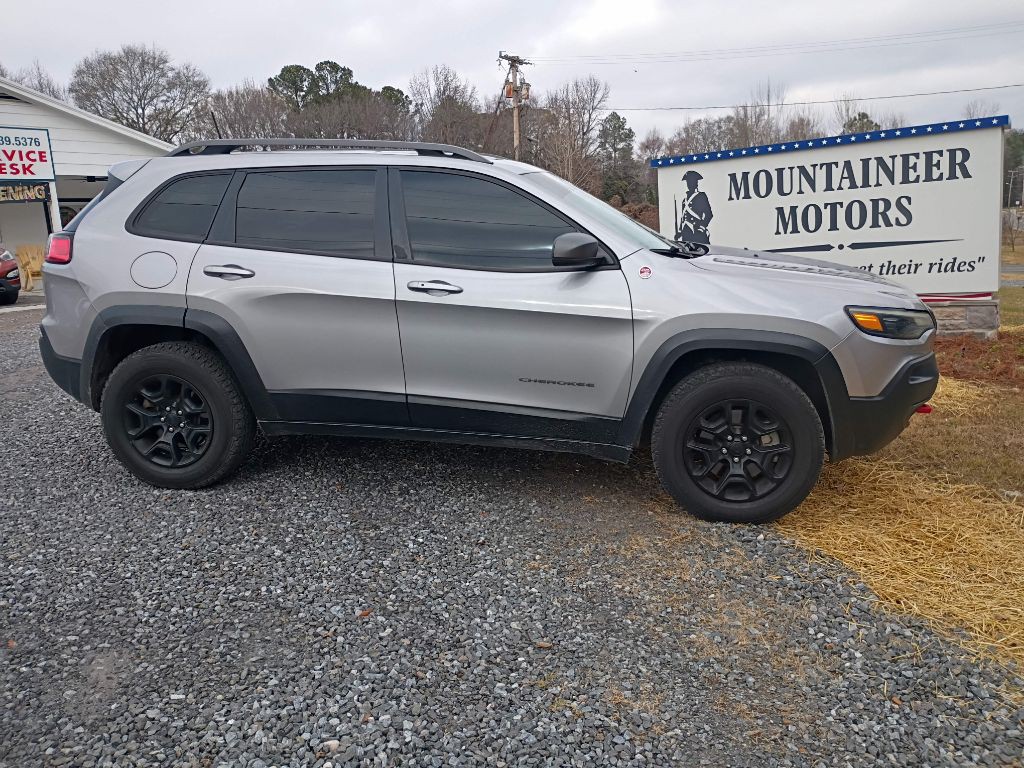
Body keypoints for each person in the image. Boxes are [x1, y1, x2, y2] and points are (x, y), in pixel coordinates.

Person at [675, 170, 713, 245]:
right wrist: (679, 232)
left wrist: (702, 227)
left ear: (696, 183)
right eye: (688, 182)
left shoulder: (701, 196)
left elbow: (709, 214)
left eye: (691, 181)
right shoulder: (684, 200)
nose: (689, 184)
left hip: (697, 230)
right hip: (686, 231)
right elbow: (683, 217)